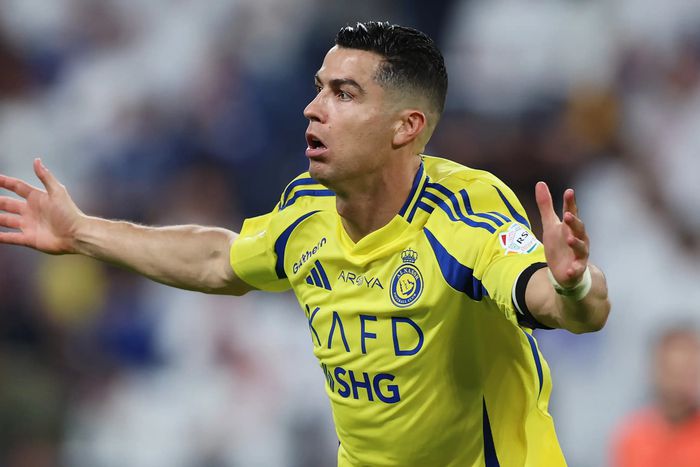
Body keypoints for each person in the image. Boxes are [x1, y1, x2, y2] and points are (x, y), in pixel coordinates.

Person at [0, 21, 610, 467]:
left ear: (406, 127)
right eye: (319, 88)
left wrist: (572, 283)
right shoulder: (307, 207)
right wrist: (81, 231)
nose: (312, 108)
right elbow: (220, 259)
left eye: (344, 94)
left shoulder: (464, 214)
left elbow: (559, 304)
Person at [611, 326, 700, 467]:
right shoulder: (633, 437)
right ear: (656, 370)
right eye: (673, 372)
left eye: (688, 371)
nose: (680, 382)